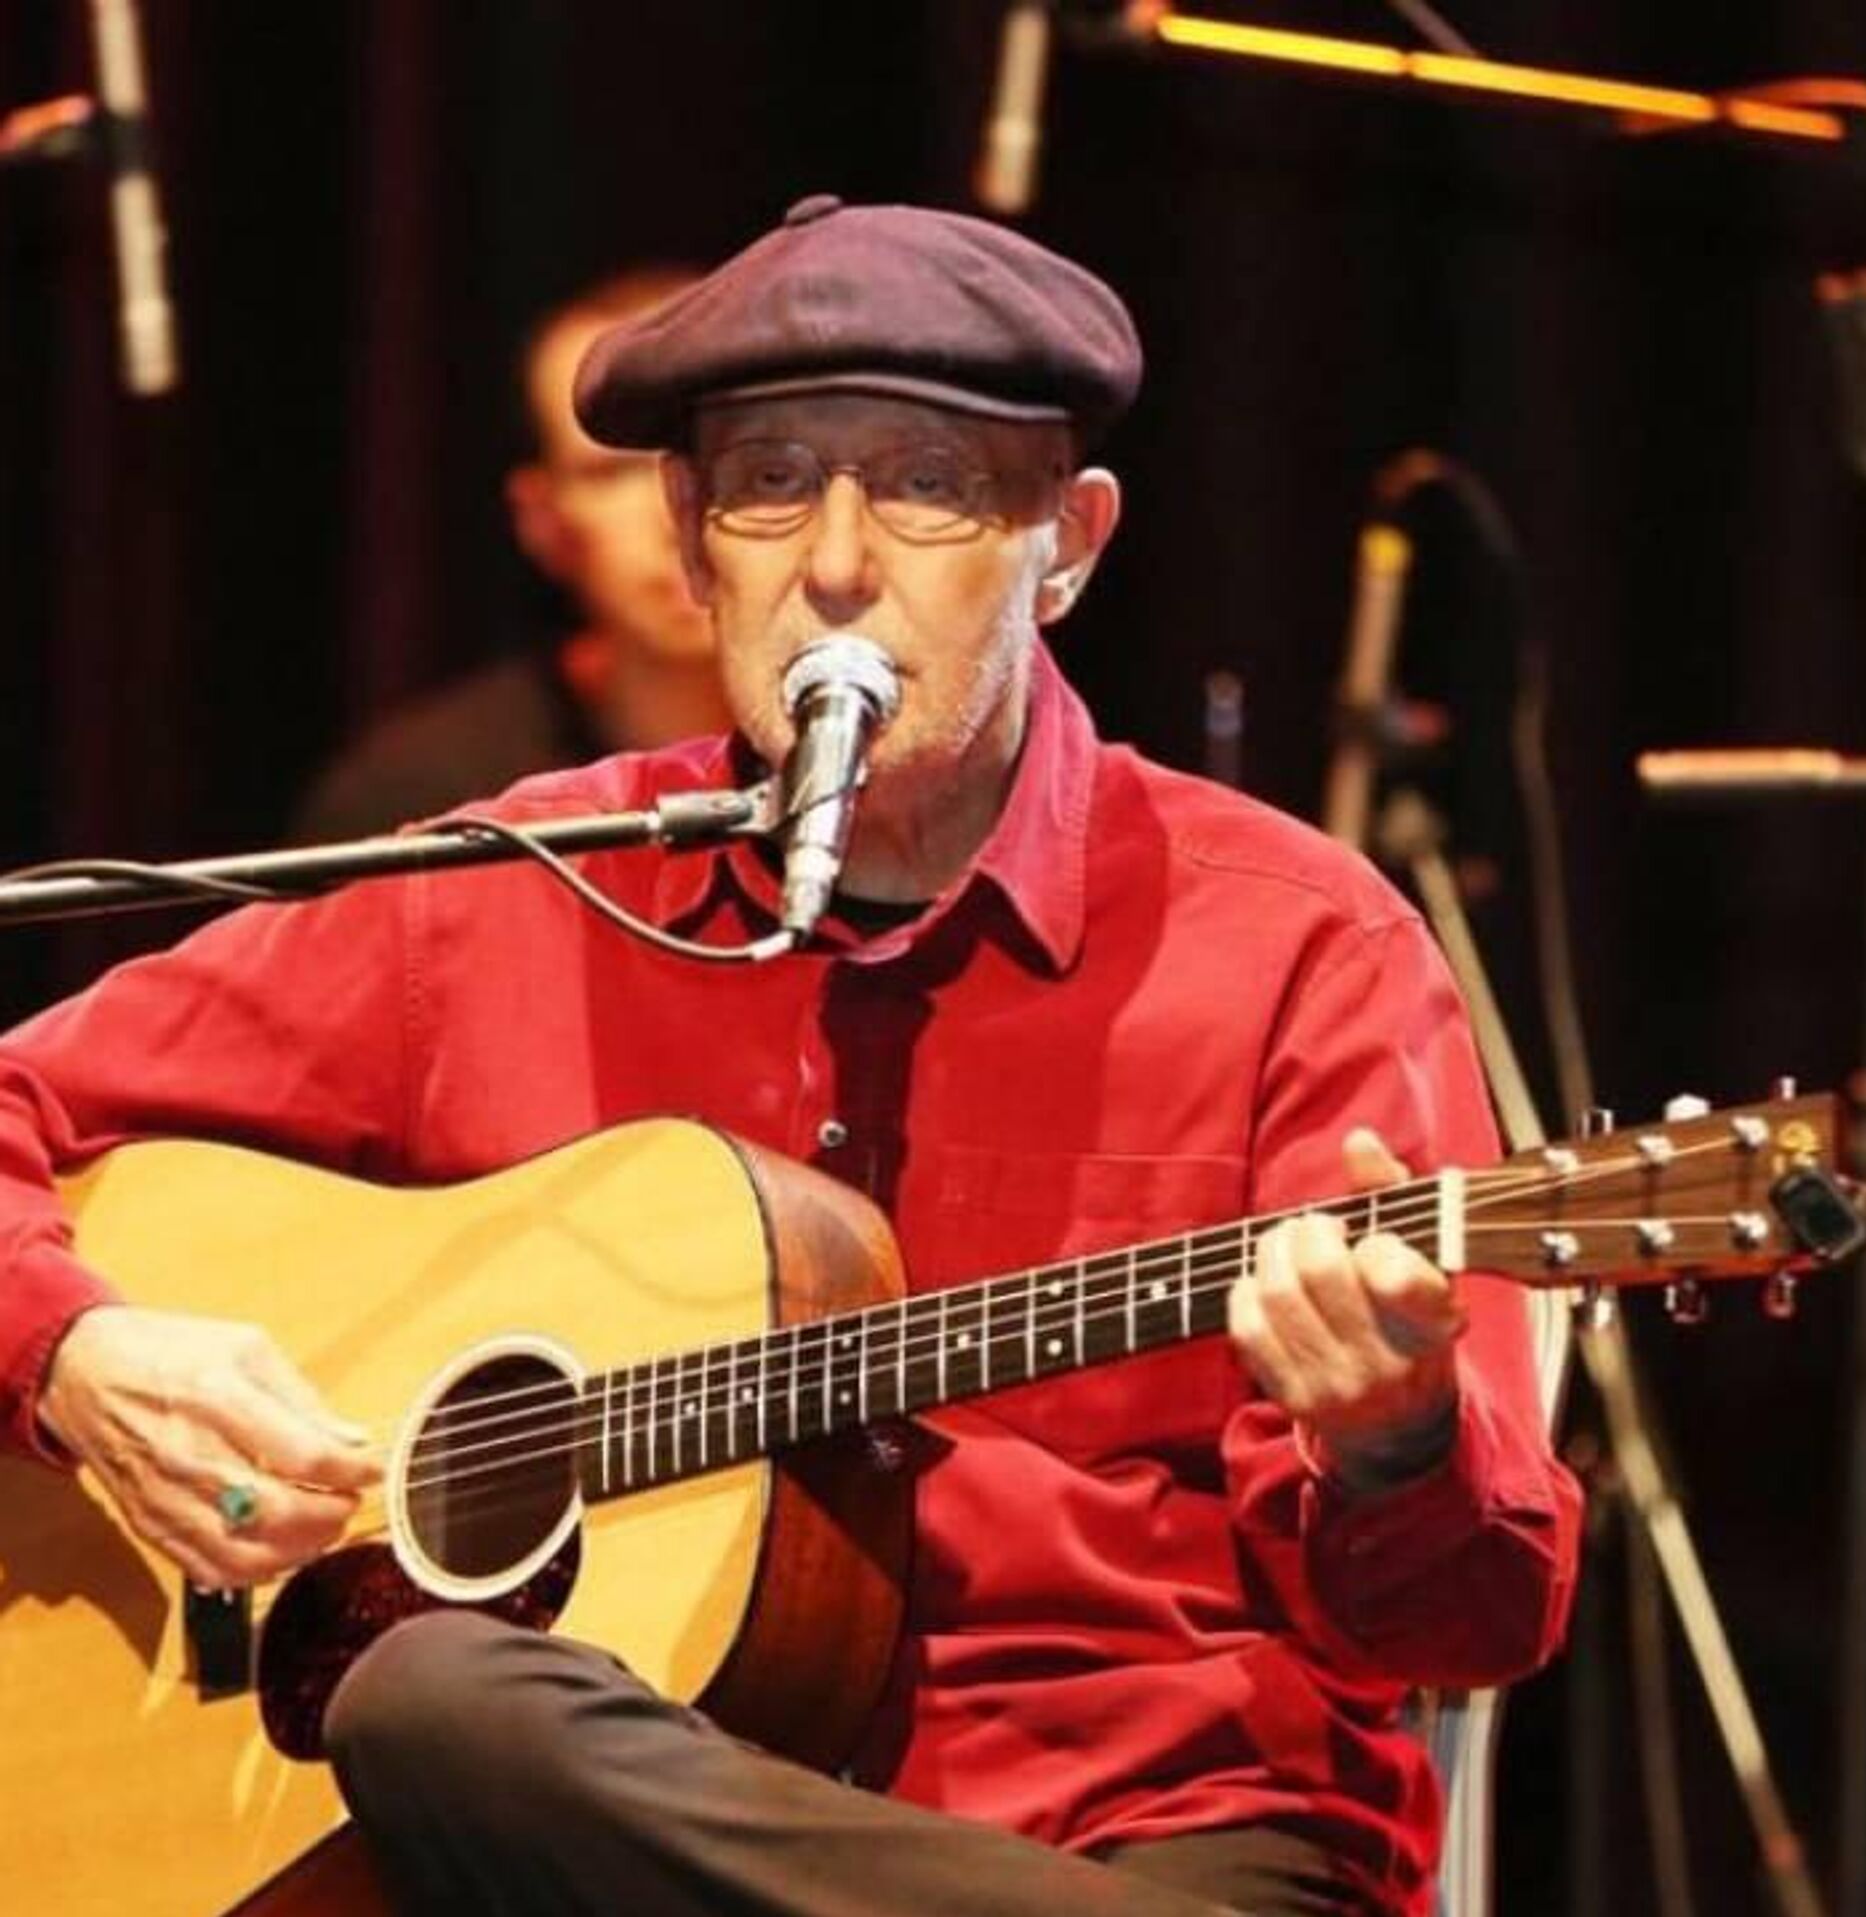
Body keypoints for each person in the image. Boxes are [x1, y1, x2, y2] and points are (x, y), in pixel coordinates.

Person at [1, 196, 1581, 1915]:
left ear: (1065, 545)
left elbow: (1474, 1623)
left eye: (926, 485)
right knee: (442, 1705)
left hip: (1135, 1847)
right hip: (609, 1845)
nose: (835, 561)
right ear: (694, 546)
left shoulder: (1301, 948)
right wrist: (77, 1354)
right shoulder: (516, 891)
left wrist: (1395, 1440)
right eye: (768, 484)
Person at [290, 264, 731, 842]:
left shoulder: (854, 774)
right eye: (612, 472)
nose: (674, 515)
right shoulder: (422, 795)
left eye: (710, 453)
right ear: (541, 520)